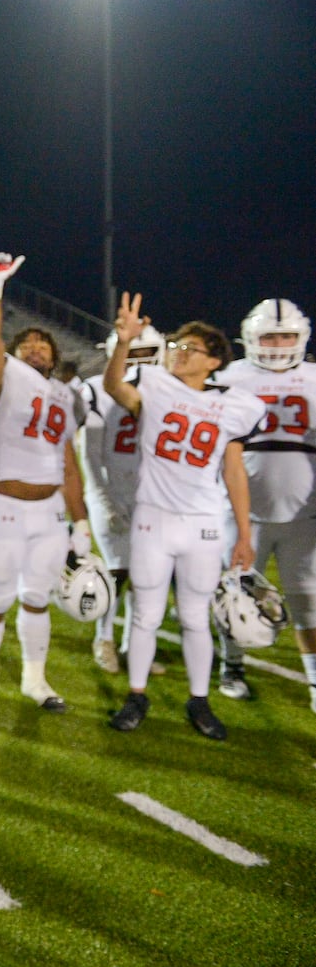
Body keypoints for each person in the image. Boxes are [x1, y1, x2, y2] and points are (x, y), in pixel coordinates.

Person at [102, 295, 263, 739]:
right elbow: (115, 386)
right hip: (154, 517)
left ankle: (199, 700)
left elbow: (234, 471)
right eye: (175, 346)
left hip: (204, 522)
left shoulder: (234, 404)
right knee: (146, 615)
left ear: (213, 361)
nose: (178, 353)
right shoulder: (154, 384)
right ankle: (136, 695)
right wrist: (122, 341)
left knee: (195, 616)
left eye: (190, 348)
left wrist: (244, 534)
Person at [0, 253, 91, 715]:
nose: (37, 347)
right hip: (4, 504)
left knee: (38, 597)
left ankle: (35, 680)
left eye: (45, 343)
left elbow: (69, 462)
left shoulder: (64, 394)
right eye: (29, 343)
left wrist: (80, 520)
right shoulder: (4, 375)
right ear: (15, 353)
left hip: (50, 511)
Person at [212, 299, 316, 706]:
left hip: (304, 515)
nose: (277, 344)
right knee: (235, 596)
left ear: (301, 337)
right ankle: (231, 666)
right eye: (269, 336)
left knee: (308, 599)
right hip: (242, 513)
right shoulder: (230, 377)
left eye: (286, 336)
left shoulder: (313, 377)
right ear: (251, 339)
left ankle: (313, 682)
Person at [77, 326, 167, 673]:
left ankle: (135, 645)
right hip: (112, 489)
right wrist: (103, 498)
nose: (142, 363)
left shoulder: (169, 389)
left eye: (147, 354)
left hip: (150, 496)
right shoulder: (98, 390)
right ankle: (104, 639)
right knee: (117, 571)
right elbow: (90, 453)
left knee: (148, 577)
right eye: (135, 354)